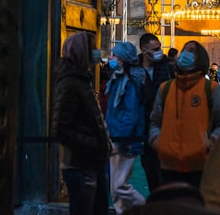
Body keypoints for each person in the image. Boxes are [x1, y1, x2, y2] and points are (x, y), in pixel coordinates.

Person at [149, 40, 220, 187]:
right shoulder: (166, 88)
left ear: (199, 58)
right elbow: (155, 120)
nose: (185, 54)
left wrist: (210, 142)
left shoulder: (210, 89)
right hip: (168, 164)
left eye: (191, 51)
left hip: (200, 165)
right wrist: (157, 141)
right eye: (184, 50)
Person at [51, 32, 111, 215]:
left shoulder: (82, 80)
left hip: (92, 163)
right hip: (81, 165)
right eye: (92, 49)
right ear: (81, 52)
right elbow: (60, 128)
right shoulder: (71, 83)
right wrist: (93, 144)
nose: (96, 53)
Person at [106, 41, 148, 213]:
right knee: (115, 187)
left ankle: (147, 209)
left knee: (119, 186)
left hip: (124, 140)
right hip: (115, 137)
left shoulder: (129, 83)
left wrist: (120, 138)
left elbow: (129, 114)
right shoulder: (118, 79)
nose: (111, 58)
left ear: (122, 60)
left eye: (114, 55)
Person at [139, 33, 173, 193]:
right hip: (144, 128)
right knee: (150, 173)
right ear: (144, 51)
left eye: (159, 47)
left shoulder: (168, 66)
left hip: (166, 127)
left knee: (165, 176)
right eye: (155, 49)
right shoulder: (134, 68)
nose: (159, 51)